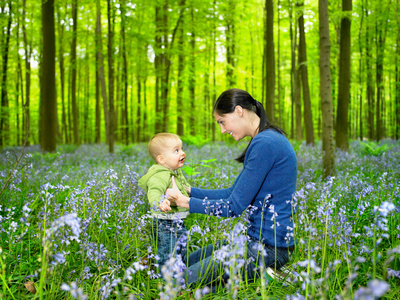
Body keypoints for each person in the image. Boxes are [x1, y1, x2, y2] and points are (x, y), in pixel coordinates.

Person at [166, 88, 297, 288]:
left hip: (269, 249)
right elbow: (231, 194)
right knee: (182, 266)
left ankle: (268, 275)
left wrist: (185, 203)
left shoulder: (266, 143)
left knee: (181, 284)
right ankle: (262, 275)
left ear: (238, 111)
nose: (222, 130)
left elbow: (233, 207)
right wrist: (188, 191)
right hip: (253, 241)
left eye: (222, 121)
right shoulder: (263, 140)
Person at [138, 133, 190, 271]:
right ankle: (168, 282)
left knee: (180, 250)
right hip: (165, 223)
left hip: (177, 221)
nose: (182, 153)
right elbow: (154, 191)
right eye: (176, 150)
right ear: (161, 159)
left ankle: (180, 275)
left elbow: (184, 189)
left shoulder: (175, 173)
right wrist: (159, 203)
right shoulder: (160, 175)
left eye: (182, 148)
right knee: (168, 254)